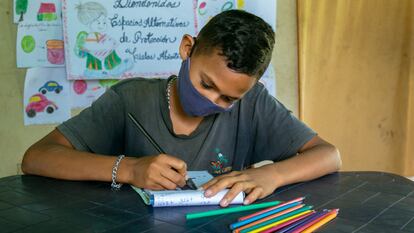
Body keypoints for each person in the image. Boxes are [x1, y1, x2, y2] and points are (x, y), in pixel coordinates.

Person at [22, 10, 341, 207]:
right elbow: (36, 158)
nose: (212, 101)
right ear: (187, 48)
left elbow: (329, 154)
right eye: (206, 84)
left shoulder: (254, 103)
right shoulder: (129, 100)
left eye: (228, 99)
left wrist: (272, 175)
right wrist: (130, 169)